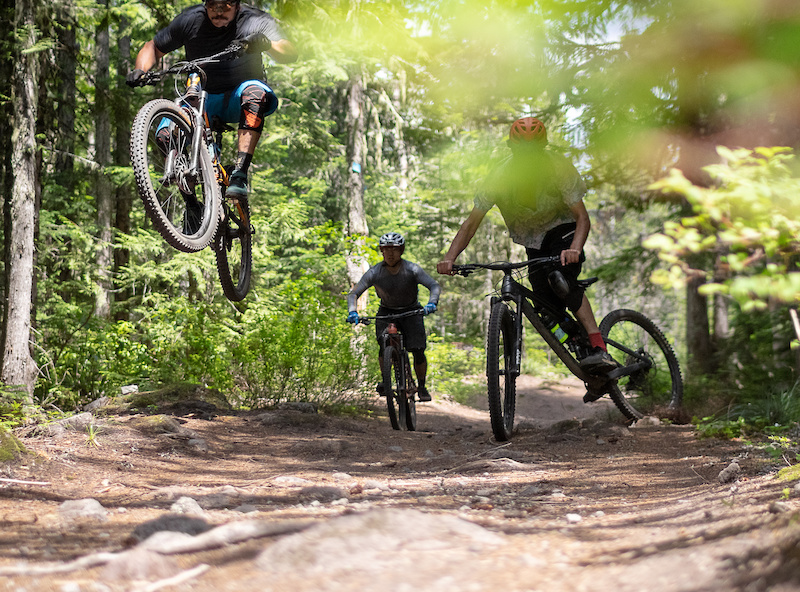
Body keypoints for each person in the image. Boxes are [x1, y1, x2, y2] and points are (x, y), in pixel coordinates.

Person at [436, 117, 617, 374]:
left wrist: (575, 248)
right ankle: (578, 348)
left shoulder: (558, 167)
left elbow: (582, 218)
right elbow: (470, 223)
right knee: (544, 309)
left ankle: (600, 348)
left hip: (564, 230)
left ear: (543, 148)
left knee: (561, 280)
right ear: (512, 148)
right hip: (533, 240)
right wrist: (450, 257)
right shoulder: (499, 176)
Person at [126, 0, 298, 201]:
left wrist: (268, 45)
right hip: (201, 99)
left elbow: (290, 52)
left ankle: (240, 174)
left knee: (253, 93)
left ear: (237, 5)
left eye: (225, 5)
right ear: (204, 4)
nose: (218, 11)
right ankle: (192, 205)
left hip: (238, 96)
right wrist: (140, 70)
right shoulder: (191, 20)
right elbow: (153, 47)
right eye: (212, 5)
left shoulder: (254, 20)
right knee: (165, 134)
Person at [347, 233, 441, 402]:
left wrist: (432, 303)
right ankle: (386, 380)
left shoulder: (412, 269)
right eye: (386, 250)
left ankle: (421, 386)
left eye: (395, 250)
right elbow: (354, 293)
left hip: (411, 311)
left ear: (401, 251)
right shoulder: (374, 272)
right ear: (382, 251)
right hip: (386, 311)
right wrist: (353, 311)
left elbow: (433, 285)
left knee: (418, 350)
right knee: (384, 345)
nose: (390, 254)